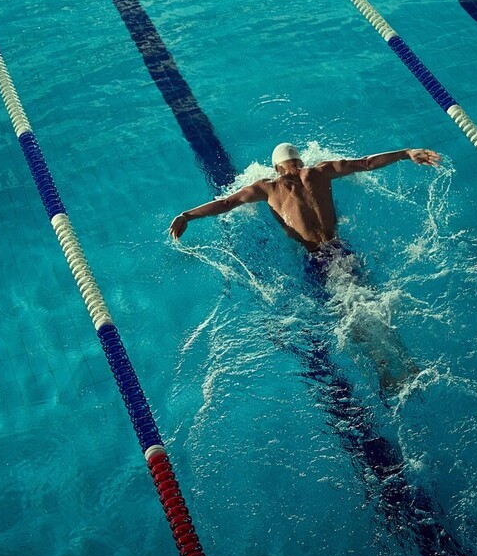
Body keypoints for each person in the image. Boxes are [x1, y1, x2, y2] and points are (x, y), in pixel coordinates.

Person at [168, 143, 441, 391]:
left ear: (276, 168)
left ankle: (384, 371)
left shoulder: (268, 187)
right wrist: (406, 153)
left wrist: (187, 215)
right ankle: (409, 363)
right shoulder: (320, 171)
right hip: (341, 252)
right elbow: (366, 162)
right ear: (299, 160)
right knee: (371, 301)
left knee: (350, 314)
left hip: (317, 262)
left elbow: (226, 203)